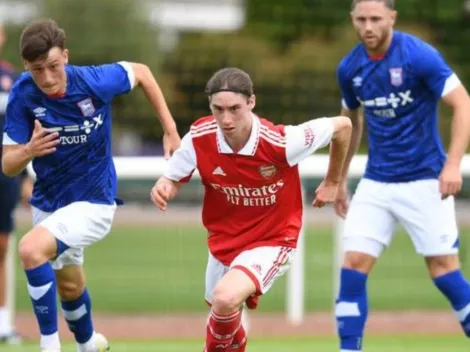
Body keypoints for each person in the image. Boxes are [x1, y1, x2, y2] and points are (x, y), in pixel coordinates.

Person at [1, 19, 180, 352]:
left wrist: (170, 129)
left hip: (94, 202)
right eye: (38, 70)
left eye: (54, 66)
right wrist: (29, 150)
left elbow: (142, 72)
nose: (48, 78)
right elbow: (8, 165)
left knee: (29, 249)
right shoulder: (23, 95)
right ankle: (87, 345)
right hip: (49, 204)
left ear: (66, 56)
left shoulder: (95, 81)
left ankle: (49, 346)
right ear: (27, 66)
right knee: (69, 285)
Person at [150, 67, 352, 352]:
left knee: (224, 298)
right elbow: (173, 175)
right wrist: (165, 186)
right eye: (218, 109)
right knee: (224, 313)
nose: (226, 119)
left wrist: (333, 181)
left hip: (273, 239)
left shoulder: (281, 142)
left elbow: (343, 127)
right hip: (224, 241)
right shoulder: (200, 135)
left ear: (251, 103)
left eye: (234, 108)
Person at [334, 1, 470, 351]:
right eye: (361, 19)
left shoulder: (418, 56)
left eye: (376, 18)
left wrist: (452, 163)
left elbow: (463, 103)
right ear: (352, 20)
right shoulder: (350, 68)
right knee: (352, 264)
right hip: (376, 182)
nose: (368, 26)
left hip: (426, 180)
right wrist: (338, 179)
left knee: (443, 271)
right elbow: (349, 122)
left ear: (391, 18)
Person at [0, 23, 33, 344]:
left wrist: (25, 177)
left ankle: (3, 323)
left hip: (4, 172)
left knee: (3, 245)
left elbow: (20, 130)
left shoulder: (12, 79)